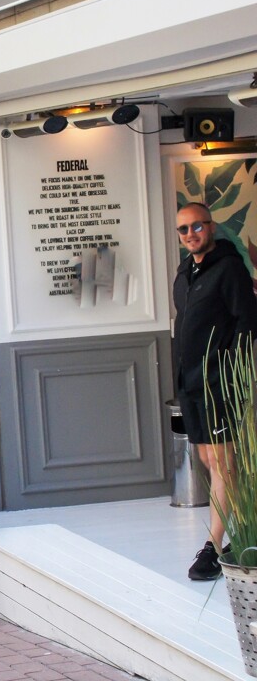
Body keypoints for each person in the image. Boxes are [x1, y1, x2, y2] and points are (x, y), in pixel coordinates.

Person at [172, 202, 257, 580]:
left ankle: (212, 547)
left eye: (197, 227)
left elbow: (246, 325)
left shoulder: (230, 269)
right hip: (190, 385)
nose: (190, 234)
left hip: (218, 385)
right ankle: (243, 533)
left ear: (212, 226)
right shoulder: (185, 273)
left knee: (222, 463)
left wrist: (227, 376)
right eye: (183, 229)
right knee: (210, 461)